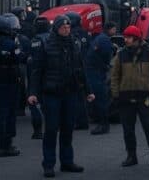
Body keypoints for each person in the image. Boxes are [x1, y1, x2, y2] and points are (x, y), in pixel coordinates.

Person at [28, 15, 95, 178]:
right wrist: (32, 93)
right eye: (63, 28)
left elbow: (81, 70)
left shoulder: (74, 45)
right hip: (51, 95)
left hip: (70, 93)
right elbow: (36, 72)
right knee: (51, 130)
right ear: (56, 29)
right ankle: (48, 164)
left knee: (67, 129)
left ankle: (67, 162)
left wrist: (88, 91)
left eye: (68, 27)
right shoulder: (46, 45)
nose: (66, 30)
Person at [111, 25, 149, 168]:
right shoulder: (121, 55)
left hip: (145, 99)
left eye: (128, 37)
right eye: (125, 37)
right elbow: (115, 76)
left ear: (136, 39)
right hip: (125, 99)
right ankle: (131, 156)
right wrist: (116, 95)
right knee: (128, 130)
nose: (125, 40)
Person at [0, 14, 22, 157]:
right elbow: (20, 57)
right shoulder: (11, 43)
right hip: (8, 82)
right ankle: (6, 144)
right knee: (8, 113)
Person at [86, 21, 115, 135]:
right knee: (101, 98)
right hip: (97, 72)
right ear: (109, 29)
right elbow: (107, 56)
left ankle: (102, 123)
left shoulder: (99, 38)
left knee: (97, 98)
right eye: (114, 29)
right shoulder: (105, 40)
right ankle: (103, 124)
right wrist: (106, 66)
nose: (115, 31)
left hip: (93, 71)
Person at [65, 12, 90, 130]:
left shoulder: (71, 34)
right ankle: (83, 120)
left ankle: (79, 121)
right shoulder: (84, 33)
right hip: (84, 68)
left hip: (75, 69)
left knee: (76, 97)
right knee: (82, 96)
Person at [28, 17, 51, 139]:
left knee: (34, 103)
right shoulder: (53, 37)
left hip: (38, 75)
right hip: (50, 76)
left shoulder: (36, 40)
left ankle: (37, 131)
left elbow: (35, 60)